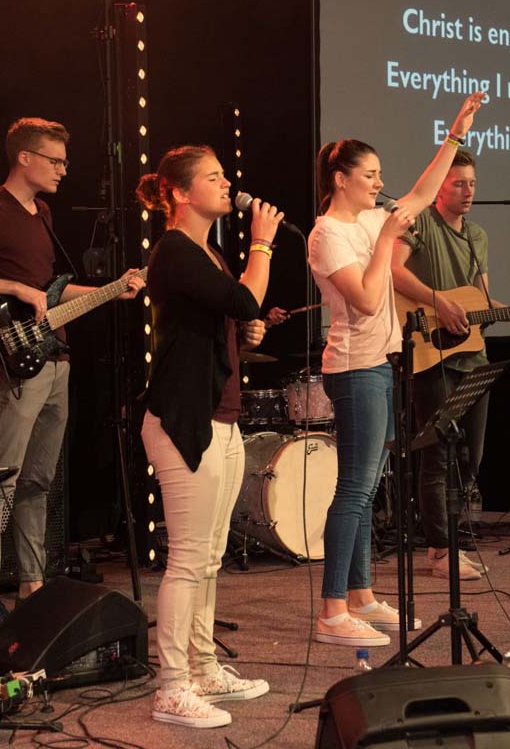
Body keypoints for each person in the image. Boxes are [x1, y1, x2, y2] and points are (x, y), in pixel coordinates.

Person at [0, 118, 143, 632]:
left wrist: (112, 289)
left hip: (56, 359)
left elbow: (50, 292)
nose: (63, 170)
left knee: (39, 479)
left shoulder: (42, 213)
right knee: (1, 476)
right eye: (55, 160)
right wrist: (14, 288)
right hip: (17, 363)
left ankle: (33, 584)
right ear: (25, 158)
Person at [308, 92, 486, 647]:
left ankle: (361, 594)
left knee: (368, 487)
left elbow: (422, 193)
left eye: (380, 174)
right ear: (340, 179)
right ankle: (332, 608)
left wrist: (455, 134)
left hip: (380, 366)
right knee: (355, 488)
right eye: (369, 175)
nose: (379, 183)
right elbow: (364, 301)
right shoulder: (328, 233)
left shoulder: (370, 218)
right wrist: (387, 239)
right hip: (354, 368)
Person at [138, 145, 282, 728]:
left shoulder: (209, 253)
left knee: (211, 557)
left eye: (225, 175)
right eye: (213, 177)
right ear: (180, 193)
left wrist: (244, 334)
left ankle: (202, 667)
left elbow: (228, 319)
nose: (227, 184)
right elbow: (246, 296)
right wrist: (263, 243)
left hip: (221, 417)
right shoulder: (173, 250)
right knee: (187, 559)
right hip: (183, 421)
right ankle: (171, 687)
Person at [391, 149, 510, 580]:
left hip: (473, 356)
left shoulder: (477, 236)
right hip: (431, 353)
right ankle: (439, 550)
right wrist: (439, 303)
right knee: (437, 453)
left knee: (471, 458)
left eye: (472, 184)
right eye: (458, 183)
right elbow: (393, 272)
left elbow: (480, 302)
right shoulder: (420, 223)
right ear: (439, 187)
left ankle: (451, 539)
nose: (468, 192)